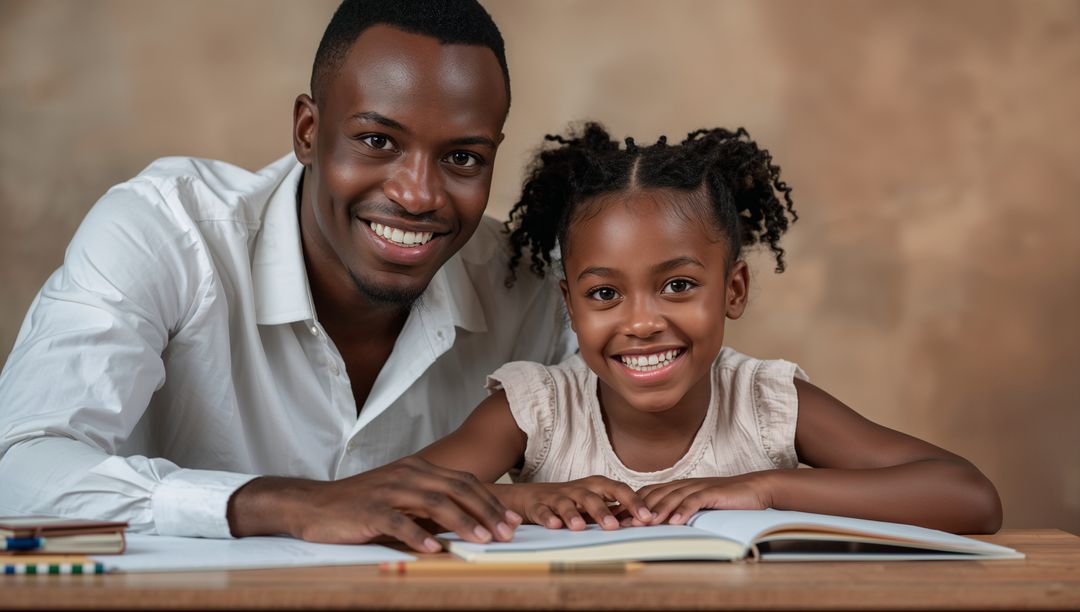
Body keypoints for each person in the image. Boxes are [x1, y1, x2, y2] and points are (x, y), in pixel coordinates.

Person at [0, 1, 577, 553]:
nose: (418, 194)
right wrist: (290, 505)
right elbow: (20, 467)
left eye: (463, 158)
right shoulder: (168, 232)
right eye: (377, 141)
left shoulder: (533, 290)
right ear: (307, 130)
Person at [417, 123, 1003, 534]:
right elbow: (397, 502)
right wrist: (515, 497)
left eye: (678, 285)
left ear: (734, 290)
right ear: (570, 305)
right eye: (604, 293)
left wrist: (767, 490)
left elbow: (969, 496)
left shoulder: (764, 402)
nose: (643, 322)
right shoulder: (538, 408)